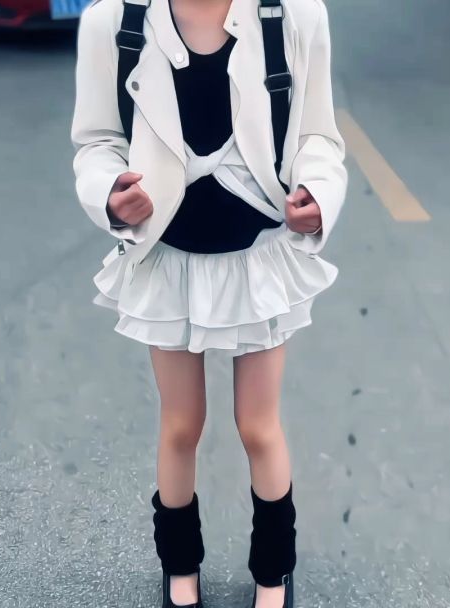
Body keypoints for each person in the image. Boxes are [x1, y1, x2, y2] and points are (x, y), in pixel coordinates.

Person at [71, 0, 346, 605]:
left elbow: (317, 135)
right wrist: (108, 193)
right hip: (169, 261)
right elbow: (97, 142)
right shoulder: (112, 22)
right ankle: (180, 570)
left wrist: (319, 191)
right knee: (180, 425)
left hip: (258, 260)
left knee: (259, 427)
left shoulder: (295, 16)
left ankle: (273, 573)